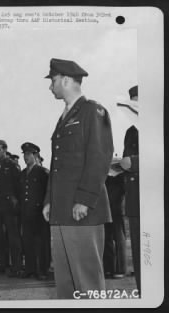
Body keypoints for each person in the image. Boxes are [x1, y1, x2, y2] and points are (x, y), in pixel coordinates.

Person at [42, 58, 113, 298]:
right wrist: (48, 200)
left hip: (82, 209)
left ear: (65, 79)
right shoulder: (64, 117)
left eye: (52, 80)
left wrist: (84, 198)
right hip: (62, 211)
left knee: (87, 282)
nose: (50, 86)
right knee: (65, 283)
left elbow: (99, 156)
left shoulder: (92, 110)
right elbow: (57, 165)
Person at [0, 140, 22, 277]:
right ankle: (0, 264)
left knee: (13, 237)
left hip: (9, 206)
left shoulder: (12, 165)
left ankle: (16, 266)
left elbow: (18, 185)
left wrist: (15, 201)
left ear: (5, 150)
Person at [119, 85, 140, 293]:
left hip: (152, 204)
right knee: (139, 256)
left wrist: (131, 162)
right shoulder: (130, 132)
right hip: (134, 202)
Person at [19, 143, 50, 280]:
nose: (26, 157)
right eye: (24, 155)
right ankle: (30, 269)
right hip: (26, 212)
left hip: (39, 213)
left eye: (28, 154)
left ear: (35, 155)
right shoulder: (22, 173)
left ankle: (42, 270)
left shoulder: (43, 172)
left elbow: (48, 193)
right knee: (28, 241)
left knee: (41, 242)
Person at [104, 171, 127, 278]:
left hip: (114, 211)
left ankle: (116, 269)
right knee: (110, 239)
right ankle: (114, 268)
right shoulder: (121, 177)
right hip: (112, 210)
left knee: (116, 239)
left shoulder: (109, 178)